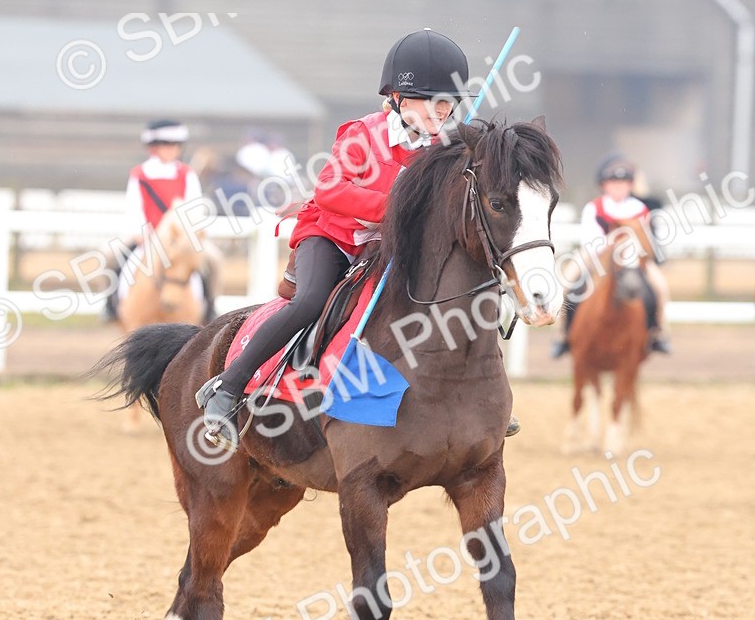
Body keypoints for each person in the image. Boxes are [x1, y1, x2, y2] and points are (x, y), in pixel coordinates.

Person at [196, 29, 522, 450]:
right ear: (400, 99)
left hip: (389, 250)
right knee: (310, 300)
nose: (444, 112)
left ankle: (481, 395)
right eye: (434, 101)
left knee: (459, 293)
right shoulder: (362, 135)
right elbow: (329, 190)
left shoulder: (445, 148)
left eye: (449, 103)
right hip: (331, 237)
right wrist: (397, 206)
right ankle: (229, 388)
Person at [550, 153, 671, 357]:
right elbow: (590, 241)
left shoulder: (639, 209)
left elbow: (646, 240)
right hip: (595, 256)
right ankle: (562, 334)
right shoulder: (594, 208)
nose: (618, 187)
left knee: (661, 287)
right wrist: (613, 248)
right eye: (613, 182)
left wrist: (635, 252)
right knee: (564, 284)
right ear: (603, 185)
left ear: (630, 185)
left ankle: (659, 332)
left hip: (632, 257)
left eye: (623, 183)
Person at [104, 119, 218, 322]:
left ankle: (209, 306)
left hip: (180, 239)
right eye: (166, 144)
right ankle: (111, 304)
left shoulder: (187, 174)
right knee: (110, 256)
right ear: (153, 147)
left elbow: (194, 207)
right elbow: (134, 206)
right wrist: (140, 230)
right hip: (146, 236)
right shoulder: (140, 174)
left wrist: (189, 234)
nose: (172, 149)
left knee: (213, 259)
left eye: (175, 145)